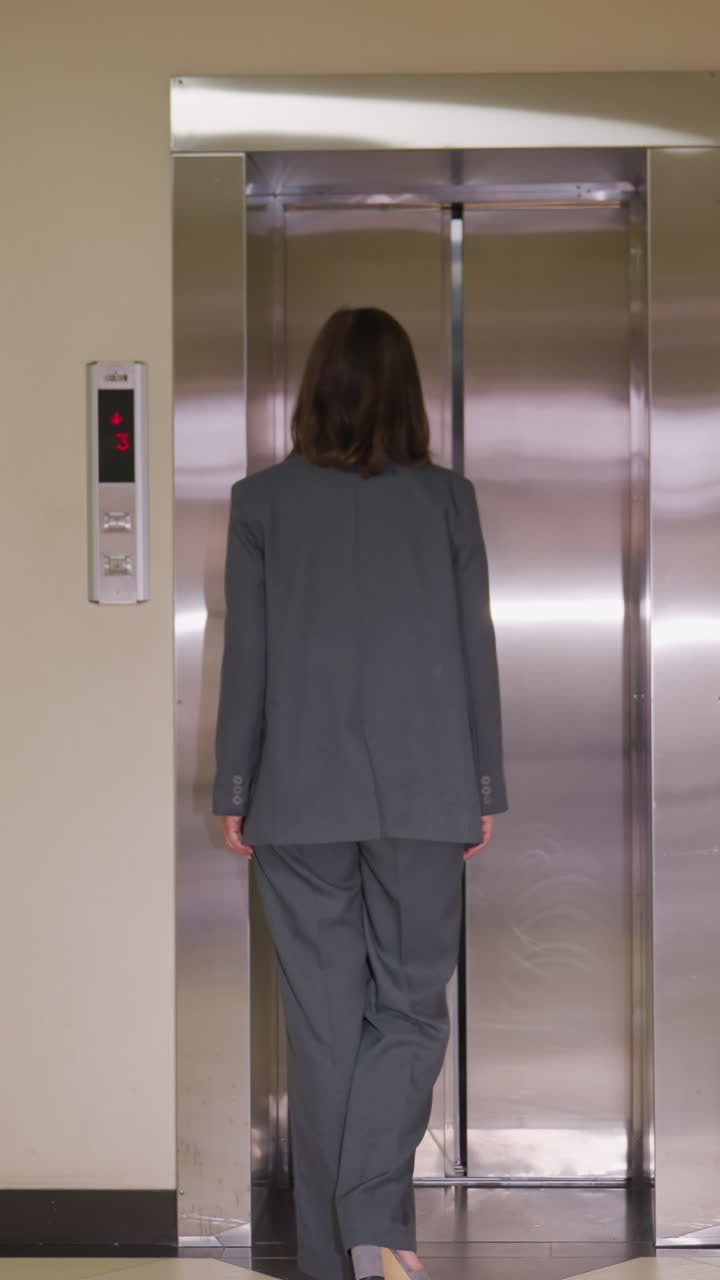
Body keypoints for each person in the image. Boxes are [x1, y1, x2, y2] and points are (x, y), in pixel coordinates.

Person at [213, 307, 507, 1280]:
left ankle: (335, 1258)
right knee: (412, 1010)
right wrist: (484, 783)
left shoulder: (260, 501)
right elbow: (474, 647)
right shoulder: (449, 500)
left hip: (297, 798)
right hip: (427, 794)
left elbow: (248, 657)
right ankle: (376, 1222)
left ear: (316, 390)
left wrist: (235, 783)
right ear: (409, 394)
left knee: (325, 1028)